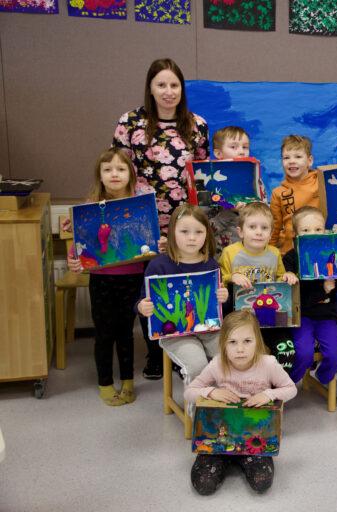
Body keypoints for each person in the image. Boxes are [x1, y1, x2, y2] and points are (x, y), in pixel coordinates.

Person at [66, 148, 160, 405]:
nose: (114, 174)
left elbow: (149, 239)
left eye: (120, 169)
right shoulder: (90, 206)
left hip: (132, 278)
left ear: (131, 174)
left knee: (126, 332)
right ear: (100, 175)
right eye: (107, 169)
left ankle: (128, 381)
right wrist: (74, 258)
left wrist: (159, 243)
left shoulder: (140, 205)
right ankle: (105, 382)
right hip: (102, 279)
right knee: (104, 333)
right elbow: (80, 243)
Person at [184, 310, 297, 495]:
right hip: (220, 438)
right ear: (223, 344)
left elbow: (291, 389)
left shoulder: (268, 364)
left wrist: (268, 394)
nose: (240, 349)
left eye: (247, 341)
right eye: (232, 342)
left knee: (262, 482)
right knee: (203, 484)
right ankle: (225, 459)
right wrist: (212, 392)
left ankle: (242, 459)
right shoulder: (217, 364)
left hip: (255, 437)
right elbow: (189, 392)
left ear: (257, 341)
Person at [113, 58, 209, 233]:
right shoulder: (130, 122)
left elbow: (202, 177)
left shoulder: (197, 124)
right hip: (138, 217)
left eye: (174, 85)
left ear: (182, 89)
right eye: (161, 85)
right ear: (150, 88)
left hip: (185, 221)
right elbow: (117, 170)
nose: (169, 92)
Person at [137, 205, 229, 385]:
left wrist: (223, 298)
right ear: (172, 233)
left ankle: (223, 396)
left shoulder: (211, 264)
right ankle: (197, 400)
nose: (192, 238)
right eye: (184, 231)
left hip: (209, 330)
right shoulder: (158, 266)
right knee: (197, 365)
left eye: (199, 232)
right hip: (175, 334)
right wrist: (142, 307)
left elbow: (218, 308)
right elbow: (142, 301)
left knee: (230, 357)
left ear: (207, 234)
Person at [219, 202, 298, 373]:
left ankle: (276, 385)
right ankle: (248, 384)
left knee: (287, 350)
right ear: (240, 231)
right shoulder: (230, 252)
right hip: (240, 321)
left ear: (271, 233)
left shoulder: (274, 253)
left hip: (270, 318)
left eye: (264, 228)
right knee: (244, 357)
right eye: (252, 227)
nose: (258, 232)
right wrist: (232, 277)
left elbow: (280, 278)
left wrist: (287, 276)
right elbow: (219, 282)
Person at [282, 206, 337, 388]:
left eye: (318, 229)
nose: (312, 234)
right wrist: (323, 290)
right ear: (296, 234)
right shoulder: (290, 258)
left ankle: (322, 376)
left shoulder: (331, 255)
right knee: (303, 354)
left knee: (336, 355)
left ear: (325, 231)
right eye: (306, 230)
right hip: (301, 316)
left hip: (326, 316)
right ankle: (288, 384)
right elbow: (296, 298)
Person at [269, 135, 337, 254]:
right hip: (291, 252)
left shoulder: (322, 181)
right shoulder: (278, 192)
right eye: (286, 157)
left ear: (310, 161)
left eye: (298, 156)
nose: (292, 161)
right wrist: (268, 252)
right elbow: (274, 228)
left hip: (324, 248)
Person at [208, 126, 268, 258]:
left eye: (245, 147)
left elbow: (266, 217)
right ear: (218, 154)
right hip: (220, 255)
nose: (241, 152)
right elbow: (206, 230)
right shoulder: (210, 185)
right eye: (233, 147)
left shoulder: (255, 181)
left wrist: (251, 209)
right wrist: (230, 212)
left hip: (251, 254)